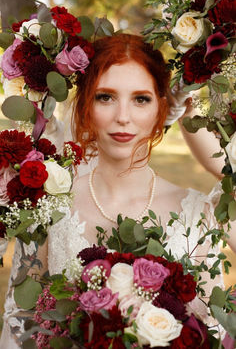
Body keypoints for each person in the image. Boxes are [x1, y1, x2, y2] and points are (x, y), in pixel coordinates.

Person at [0, 33, 235, 348]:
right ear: (85, 104)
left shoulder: (197, 214)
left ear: (161, 108)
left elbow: (211, 333)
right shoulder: (50, 209)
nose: (123, 117)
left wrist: (203, 141)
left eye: (141, 99)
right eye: (105, 97)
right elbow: (21, 324)